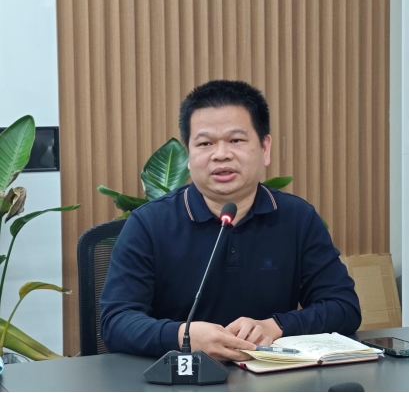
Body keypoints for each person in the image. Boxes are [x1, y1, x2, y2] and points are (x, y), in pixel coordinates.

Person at [100, 80, 361, 362]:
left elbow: (343, 307)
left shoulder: (297, 218)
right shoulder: (149, 223)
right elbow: (116, 322)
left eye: (236, 140)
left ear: (265, 148)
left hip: (269, 374)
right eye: (205, 143)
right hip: (180, 376)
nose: (221, 154)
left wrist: (274, 327)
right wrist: (183, 336)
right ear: (188, 155)